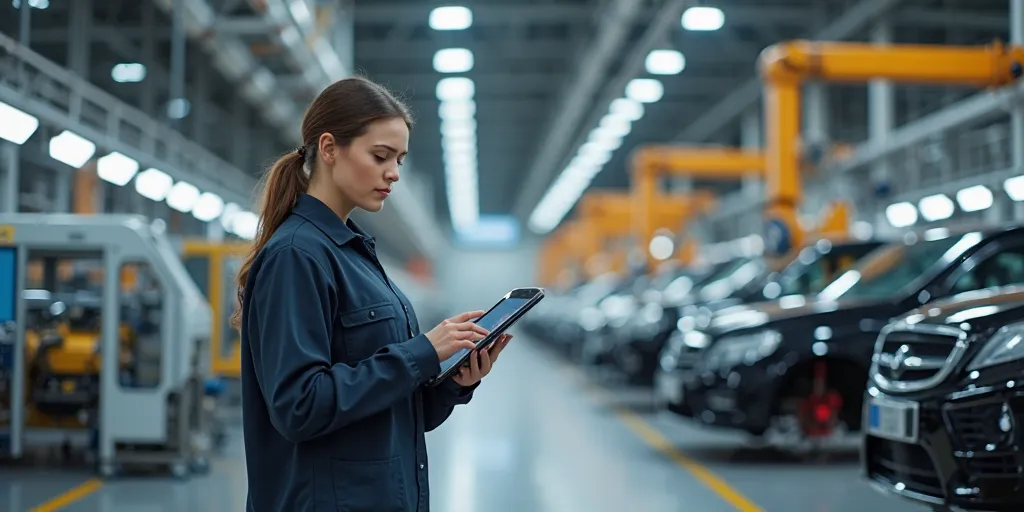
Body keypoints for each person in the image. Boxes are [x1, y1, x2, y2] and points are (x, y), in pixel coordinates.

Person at [230, 76, 513, 511]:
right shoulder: (297, 256)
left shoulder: (356, 255)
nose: (393, 173)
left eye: (398, 159)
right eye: (380, 156)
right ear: (329, 148)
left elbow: (390, 416)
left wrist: (451, 384)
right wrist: (420, 352)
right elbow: (299, 407)